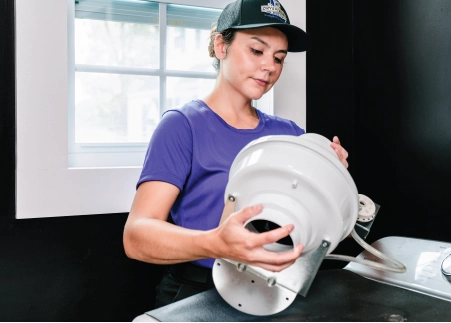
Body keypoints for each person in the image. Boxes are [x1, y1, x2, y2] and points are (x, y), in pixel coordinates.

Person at [122, 0, 349, 308]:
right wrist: (216, 243)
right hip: (197, 295)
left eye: (279, 58)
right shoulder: (182, 126)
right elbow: (136, 237)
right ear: (221, 46)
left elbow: (319, 223)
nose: (269, 66)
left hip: (276, 293)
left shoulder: (291, 135)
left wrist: (334, 177)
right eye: (257, 50)